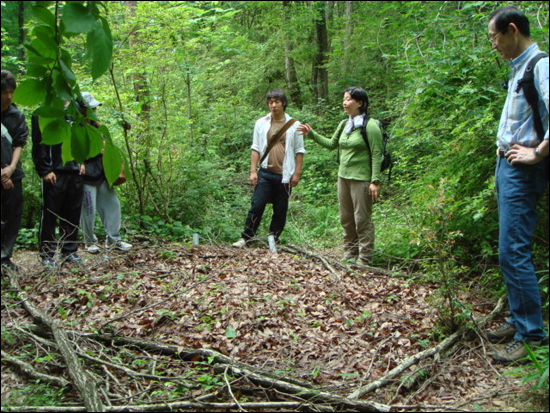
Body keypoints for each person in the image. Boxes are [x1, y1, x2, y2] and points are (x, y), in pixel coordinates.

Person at [485, 6, 549, 363]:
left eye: (495, 37)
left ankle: (530, 336)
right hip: (506, 165)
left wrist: (537, 153)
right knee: (508, 249)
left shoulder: (541, 65)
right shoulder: (518, 68)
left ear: (512, 30)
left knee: (514, 250)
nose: (493, 44)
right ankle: (519, 319)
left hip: (522, 171)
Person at [298, 87, 382, 265]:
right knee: (346, 217)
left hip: (362, 179)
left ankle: (365, 257)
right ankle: (350, 253)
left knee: (362, 219)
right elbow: (331, 144)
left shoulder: (371, 126)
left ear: (360, 103)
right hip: (343, 177)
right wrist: (311, 134)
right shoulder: (345, 124)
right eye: (344, 99)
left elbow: (376, 154)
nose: (345, 102)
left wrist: (375, 181)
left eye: (349, 99)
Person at [232, 89, 305, 247]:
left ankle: (274, 239)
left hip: (285, 174)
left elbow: (299, 150)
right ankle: (246, 237)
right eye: (270, 102)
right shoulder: (261, 123)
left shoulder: (294, 125)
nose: (273, 105)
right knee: (257, 204)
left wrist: (297, 173)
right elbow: (256, 147)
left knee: (280, 210)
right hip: (265, 172)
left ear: (283, 103)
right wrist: (253, 171)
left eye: (277, 102)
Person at [32, 101, 84, 267]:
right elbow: (38, 142)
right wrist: (45, 169)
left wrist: (82, 160)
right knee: (50, 214)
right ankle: (47, 254)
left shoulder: (75, 108)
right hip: (54, 171)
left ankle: (69, 251)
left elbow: (82, 135)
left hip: (75, 169)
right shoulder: (44, 110)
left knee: (73, 212)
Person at [79, 92, 132, 254]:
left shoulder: (98, 127)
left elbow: (108, 148)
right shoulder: (76, 128)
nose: (94, 110)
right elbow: (75, 152)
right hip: (86, 177)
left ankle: (114, 240)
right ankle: (89, 242)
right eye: (91, 107)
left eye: (94, 107)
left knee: (113, 206)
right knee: (88, 210)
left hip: (102, 175)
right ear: (81, 109)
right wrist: (97, 151)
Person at [1, 70, 28, 273]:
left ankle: (5, 255)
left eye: (11, 92)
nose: (8, 96)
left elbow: (19, 143)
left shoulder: (16, 115)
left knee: (13, 214)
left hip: (12, 173)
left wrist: (10, 169)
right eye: (4, 92)